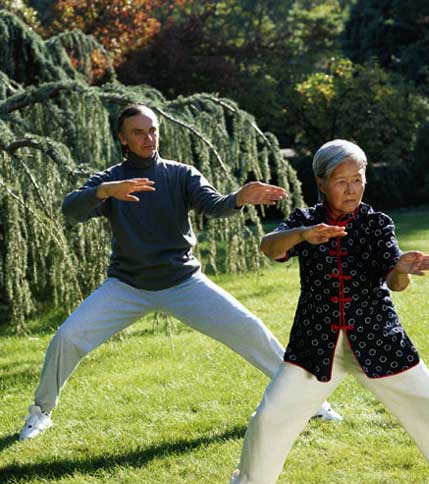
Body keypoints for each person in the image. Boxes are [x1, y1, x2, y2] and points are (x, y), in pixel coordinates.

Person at [211, 139, 429, 484]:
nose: (352, 189)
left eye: (358, 179)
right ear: (322, 183)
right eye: (342, 181)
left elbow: (393, 280)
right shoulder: (305, 220)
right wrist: (304, 235)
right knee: (271, 416)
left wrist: (402, 269)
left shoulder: (376, 223)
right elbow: (270, 247)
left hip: (377, 339)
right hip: (316, 343)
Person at [18, 104, 342, 441]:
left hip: (183, 283)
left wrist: (238, 198)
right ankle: (40, 413)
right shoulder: (111, 180)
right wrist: (103, 191)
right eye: (139, 132)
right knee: (67, 338)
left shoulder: (180, 174)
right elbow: (70, 209)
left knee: (250, 330)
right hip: (127, 286)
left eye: (153, 129)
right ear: (123, 139)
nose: (149, 137)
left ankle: (307, 401)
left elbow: (213, 205)